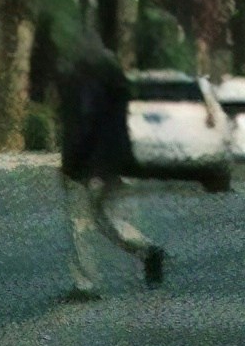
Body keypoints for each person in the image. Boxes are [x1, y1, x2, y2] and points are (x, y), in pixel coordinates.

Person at [54, 17, 164, 299]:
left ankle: (86, 283)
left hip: (86, 162)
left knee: (80, 224)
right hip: (114, 160)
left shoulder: (81, 75)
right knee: (107, 218)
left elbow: (84, 121)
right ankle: (147, 249)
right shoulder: (113, 73)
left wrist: (73, 162)